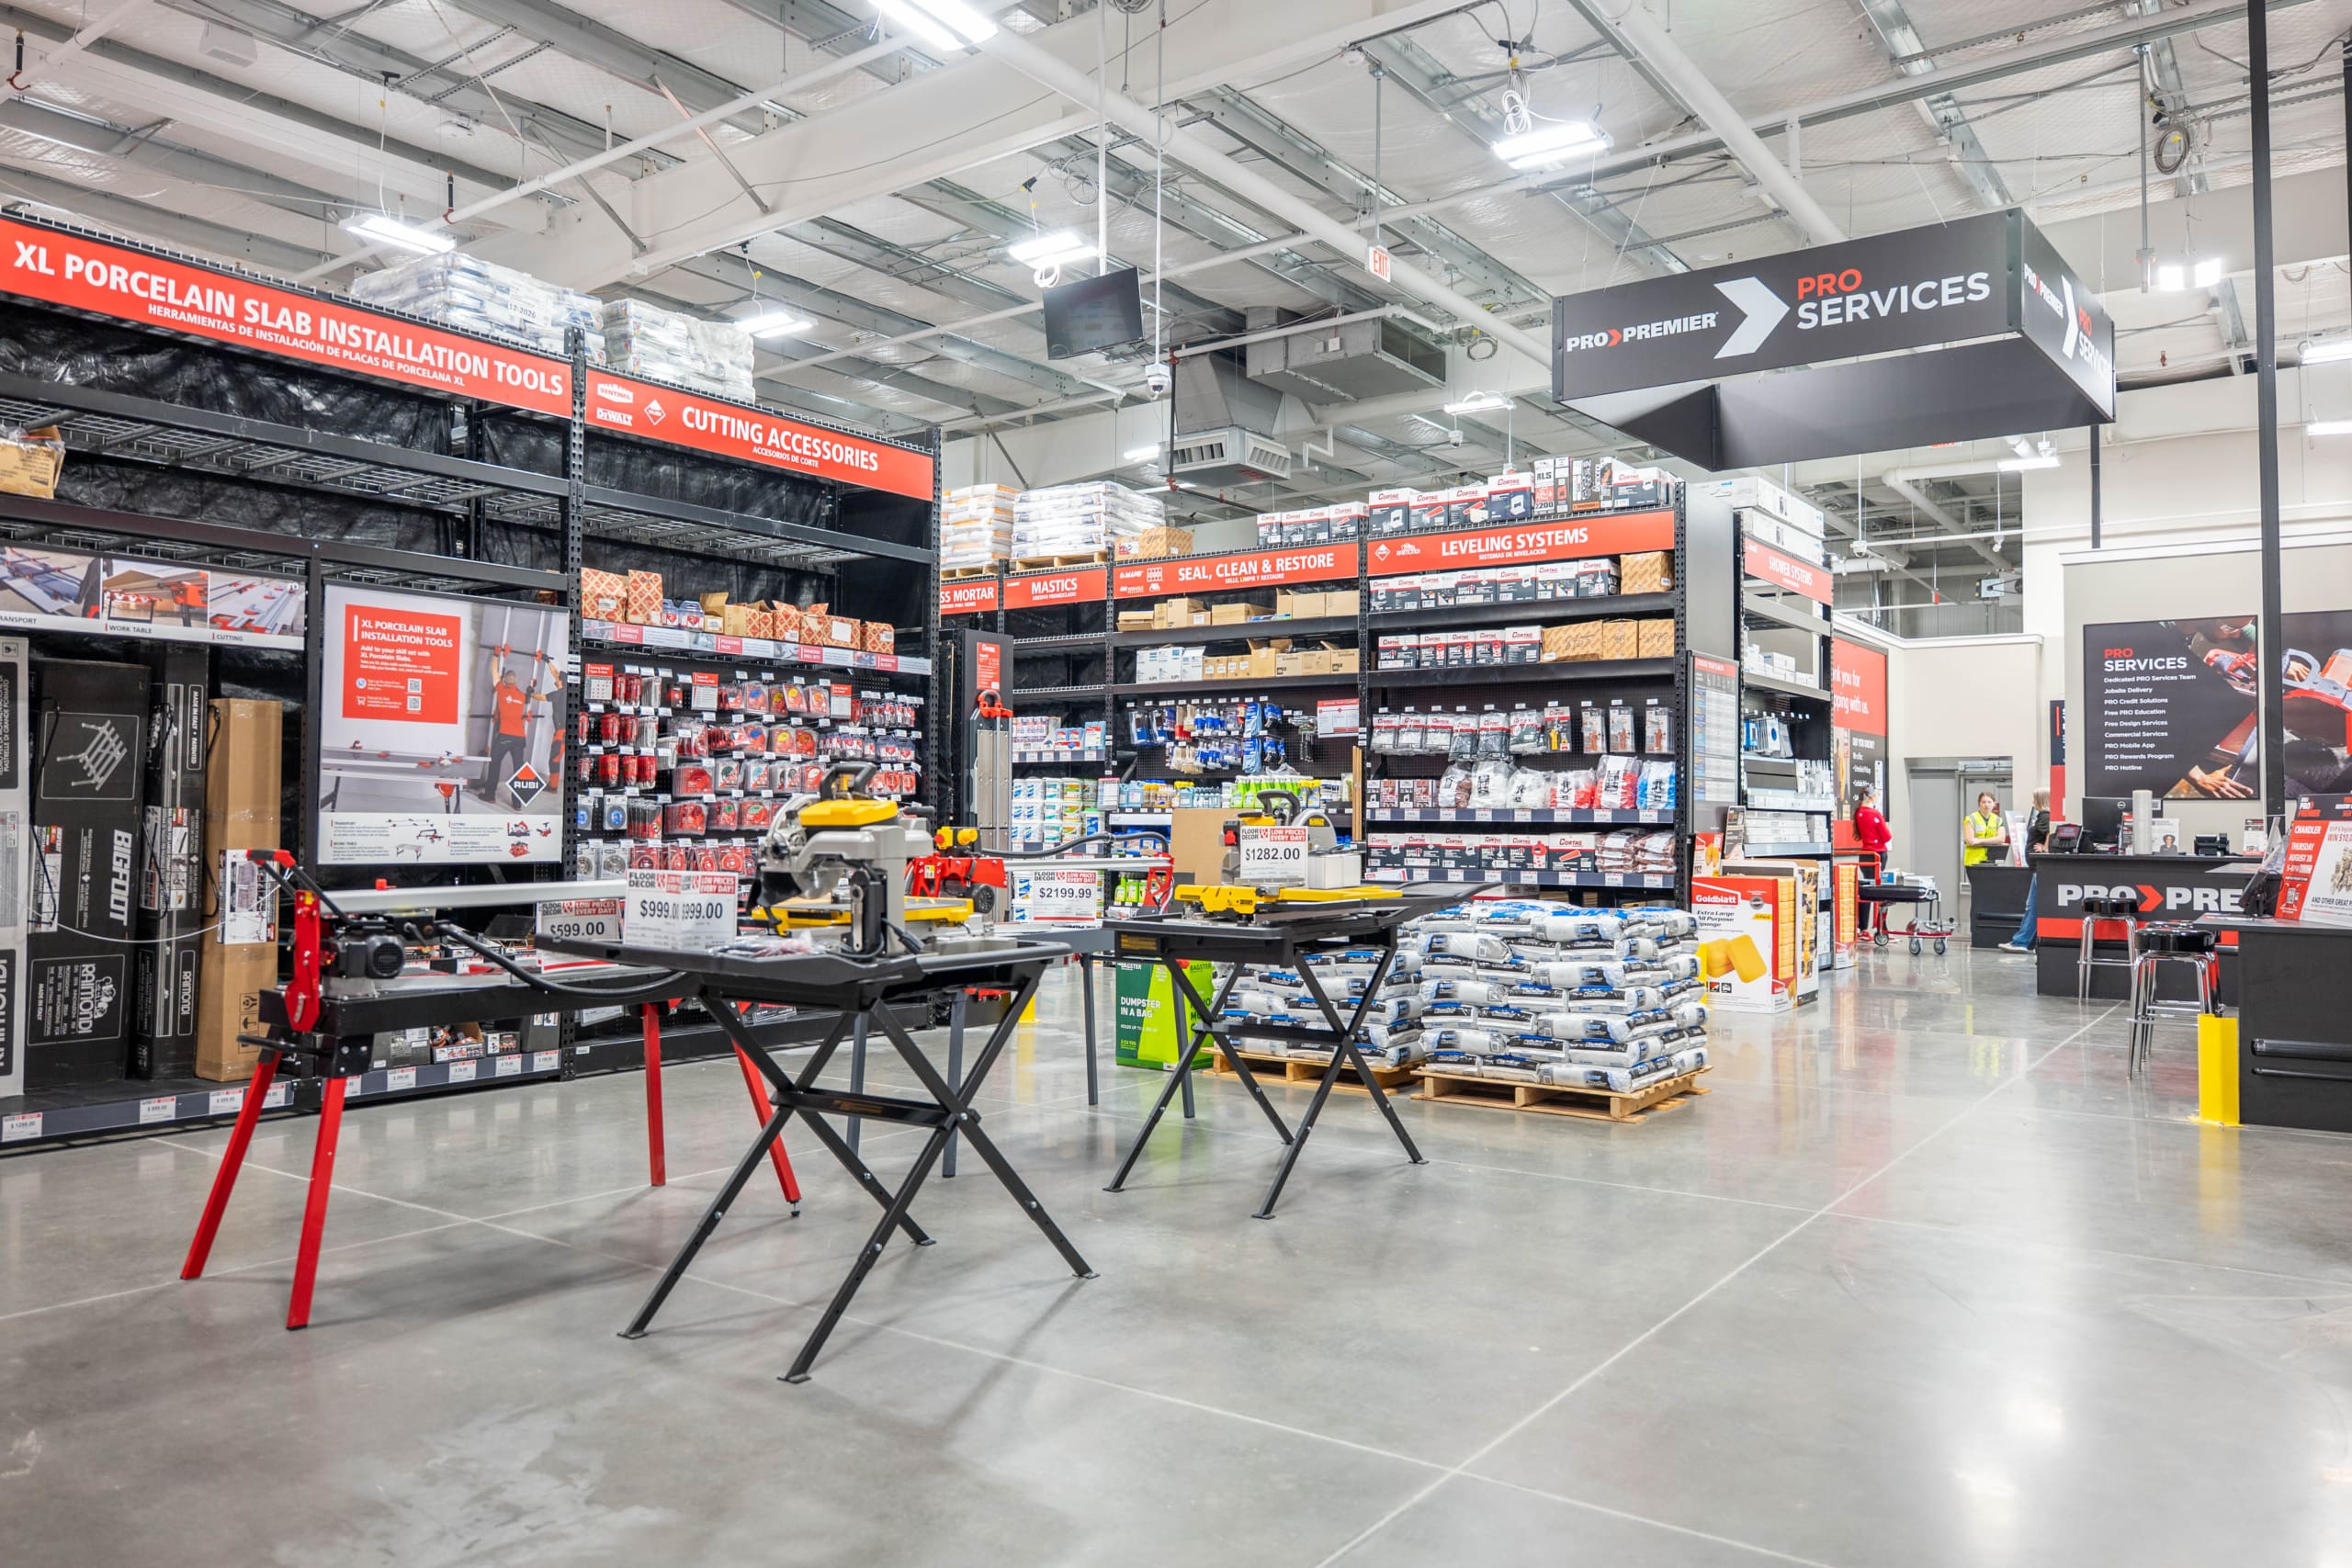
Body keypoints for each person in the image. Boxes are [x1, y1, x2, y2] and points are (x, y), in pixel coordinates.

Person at [485, 653, 546, 808]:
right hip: (520, 738)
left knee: (495, 763)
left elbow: (494, 673)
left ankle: (490, 795)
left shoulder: (501, 689)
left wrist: (495, 657)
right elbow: (525, 701)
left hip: (506, 736)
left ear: (505, 681)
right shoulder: (522, 695)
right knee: (518, 769)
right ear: (516, 681)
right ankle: (517, 803)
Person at [1999, 789, 2052, 953]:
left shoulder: (2044, 816)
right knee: (2034, 905)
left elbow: (2050, 831)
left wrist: (2045, 847)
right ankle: (2026, 941)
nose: (2033, 802)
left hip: (2039, 869)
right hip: (2037, 868)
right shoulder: (2042, 816)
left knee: (2033, 905)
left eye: (2034, 799)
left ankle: (2021, 941)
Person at [1962, 790, 2009, 868]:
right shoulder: (1971, 818)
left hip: (1992, 860)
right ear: (1979, 804)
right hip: (1974, 861)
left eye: (1989, 802)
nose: (1986, 805)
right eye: (1983, 802)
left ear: (1994, 804)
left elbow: (2001, 839)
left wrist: (1979, 840)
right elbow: (1971, 841)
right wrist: (1994, 842)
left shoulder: (1998, 820)